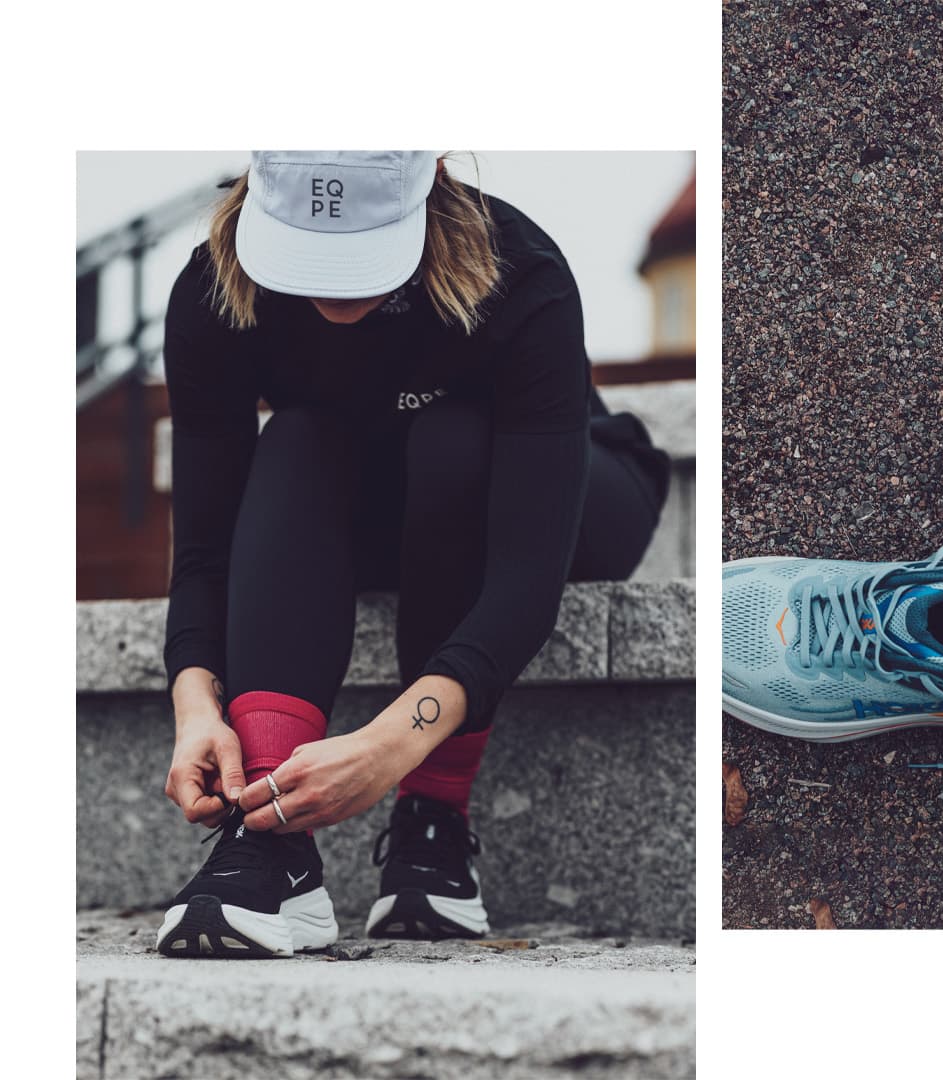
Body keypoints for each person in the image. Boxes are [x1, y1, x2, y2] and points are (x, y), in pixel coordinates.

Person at [155, 151, 670, 957]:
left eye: (362, 249)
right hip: (368, 503)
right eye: (311, 252)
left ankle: (435, 819)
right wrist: (195, 708)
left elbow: (526, 578)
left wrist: (394, 748)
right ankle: (270, 834)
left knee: (450, 436)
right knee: (292, 437)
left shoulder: (517, 269)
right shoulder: (215, 291)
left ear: (428, 177)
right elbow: (205, 549)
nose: (336, 286)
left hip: (560, 496)